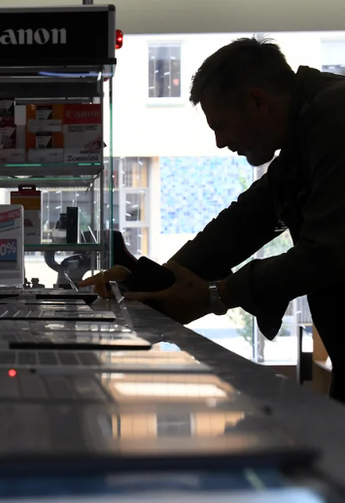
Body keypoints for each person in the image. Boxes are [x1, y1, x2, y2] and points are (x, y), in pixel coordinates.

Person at [81, 38, 345, 401]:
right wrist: (148, 280)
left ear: (257, 101)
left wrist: (217, 295)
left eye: (220, 126)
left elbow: (326, 254)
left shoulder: (335, 117)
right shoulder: (305, 132)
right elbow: (244, 222)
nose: (220, 142)